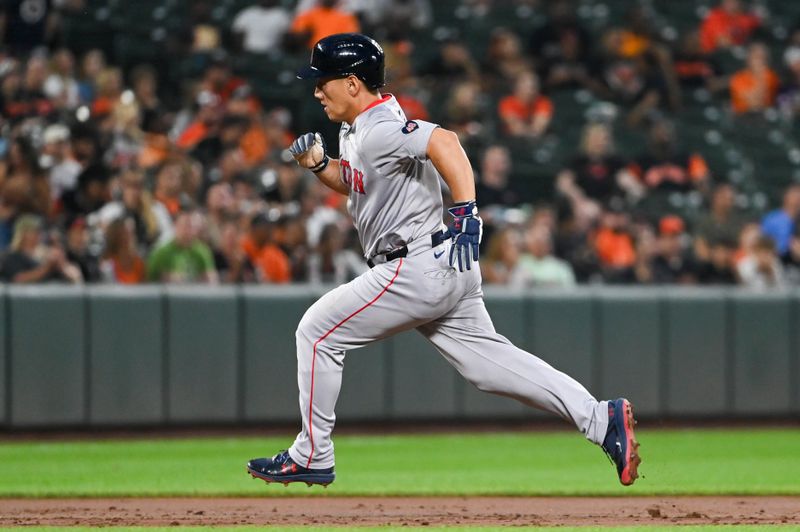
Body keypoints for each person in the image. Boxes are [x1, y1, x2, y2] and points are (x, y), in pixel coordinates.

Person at [246, 33, 640, 488]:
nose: (316, 90)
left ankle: (312, 453)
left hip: (414, 265)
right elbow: (359, 181)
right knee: (488, 366)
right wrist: (321, 166)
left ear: (353, 83)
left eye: (325, 80)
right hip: (440, 261)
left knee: (316, 332)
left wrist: (466, 208)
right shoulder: (360, 127)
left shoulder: (377, 128)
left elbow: (446, 142)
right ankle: (599, 418)